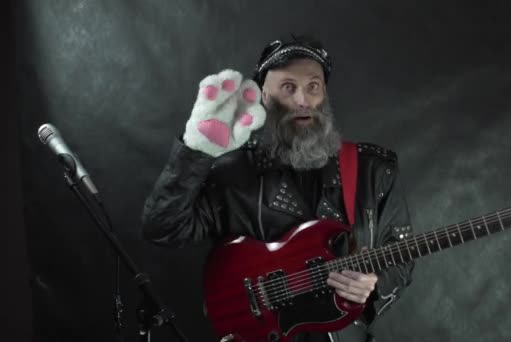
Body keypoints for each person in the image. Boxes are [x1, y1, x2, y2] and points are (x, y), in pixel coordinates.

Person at [141, 34, 415, 342]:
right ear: (263, 97)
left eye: (313, 87)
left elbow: (401, 259)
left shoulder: (373, 170)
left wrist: (372, 283)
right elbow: (162, 229)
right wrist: (196, 151)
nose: (302, 100)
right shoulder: (232, 174)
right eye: (288, 88)